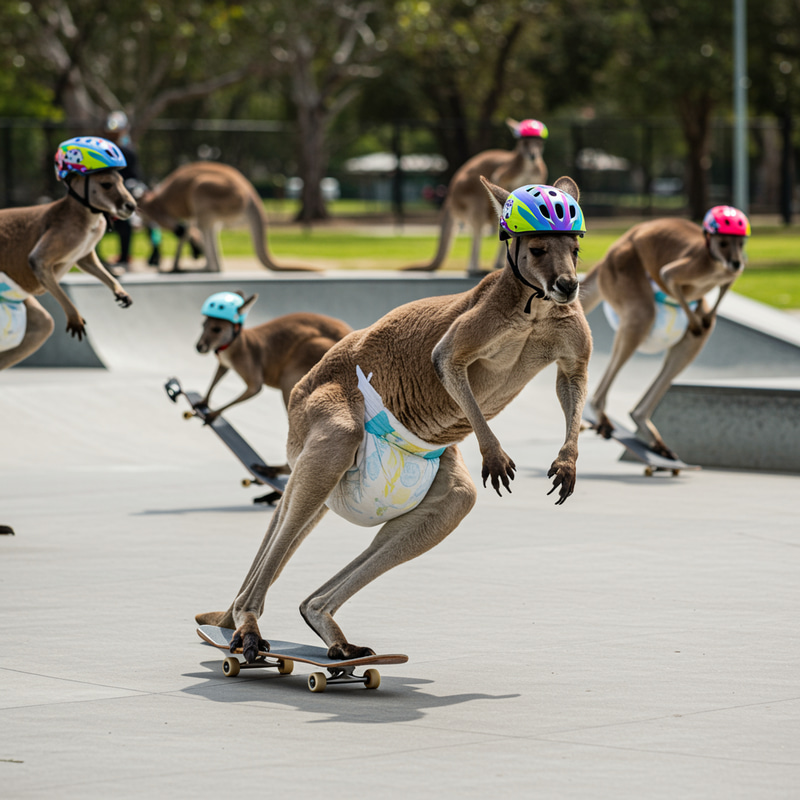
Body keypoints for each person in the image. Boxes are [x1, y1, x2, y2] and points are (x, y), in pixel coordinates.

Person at [103, 111, 161, 271]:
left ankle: (154, 251)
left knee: (147, 220)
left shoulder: (128, 150)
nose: (113, 135)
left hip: (129, 190)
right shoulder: (106, 150)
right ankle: (120, 256)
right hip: (111, 192)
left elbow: (134, 175)